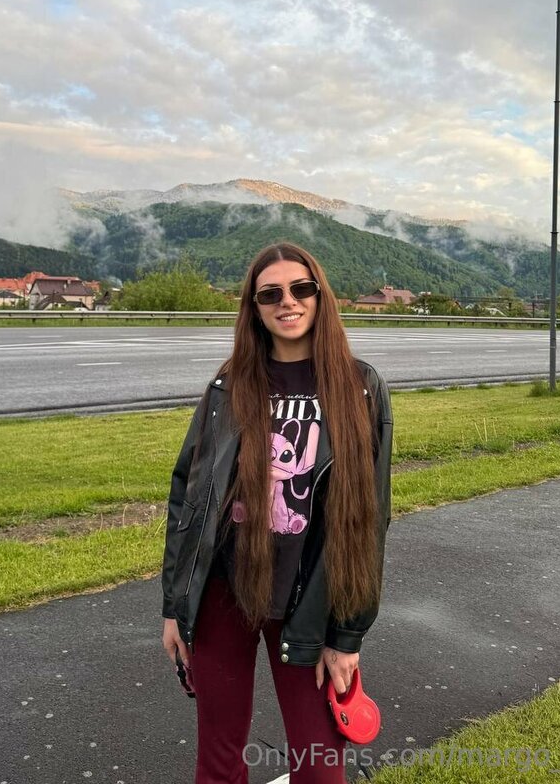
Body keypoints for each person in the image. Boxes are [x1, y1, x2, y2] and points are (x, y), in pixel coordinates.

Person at [161, 242, 393, 784]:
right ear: (255, 308)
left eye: (300, 288)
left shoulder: (360, 387)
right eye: (270, 294)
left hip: (307, 601)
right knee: (218, 760)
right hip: (224, 590)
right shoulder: (229, 384)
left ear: (319, 295)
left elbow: (369, 521)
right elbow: (189, 495)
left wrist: (346, 636)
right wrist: (176, 605)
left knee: (319, 764)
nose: (287, 302)